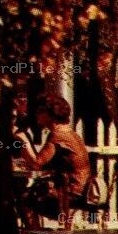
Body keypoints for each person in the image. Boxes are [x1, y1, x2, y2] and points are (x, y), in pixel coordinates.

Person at [16, 91, 91, 226]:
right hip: (81, 189)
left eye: (40, 111)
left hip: (70, 192)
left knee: (24, 198)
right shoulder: (71, 134)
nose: (36, 114)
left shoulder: (57, 136)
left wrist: (23, 141)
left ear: (50, 115)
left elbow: (36, 164)